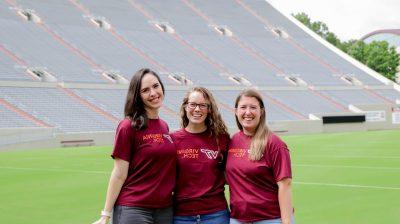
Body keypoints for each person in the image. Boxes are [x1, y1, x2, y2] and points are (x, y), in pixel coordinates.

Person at [93, 68, 176, 224]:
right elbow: (119, 174)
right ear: (137, 96)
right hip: (134, 209)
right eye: (145, 90)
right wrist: (106, 214)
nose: (153, 93)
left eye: (156, 86)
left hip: (164, 210)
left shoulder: (164, 126)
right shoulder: (128, 126)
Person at [226, 89, 294, 224]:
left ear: (261, 111)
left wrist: (286, 222)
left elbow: (285, 185)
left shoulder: (274, 144)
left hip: (270, 219)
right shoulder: (233, 141)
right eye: (243, 107)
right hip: (237, 219)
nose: (248, 112)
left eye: (253, 107)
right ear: (236, 111)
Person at [171, 87, 230, 224]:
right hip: (182, 216)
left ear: (209, 109)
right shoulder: (173, 139)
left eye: (203, 105)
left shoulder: (221, 138)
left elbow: (233, 174)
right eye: (193, 104)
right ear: (186, 107)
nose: (197, 109)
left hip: (216, 215)